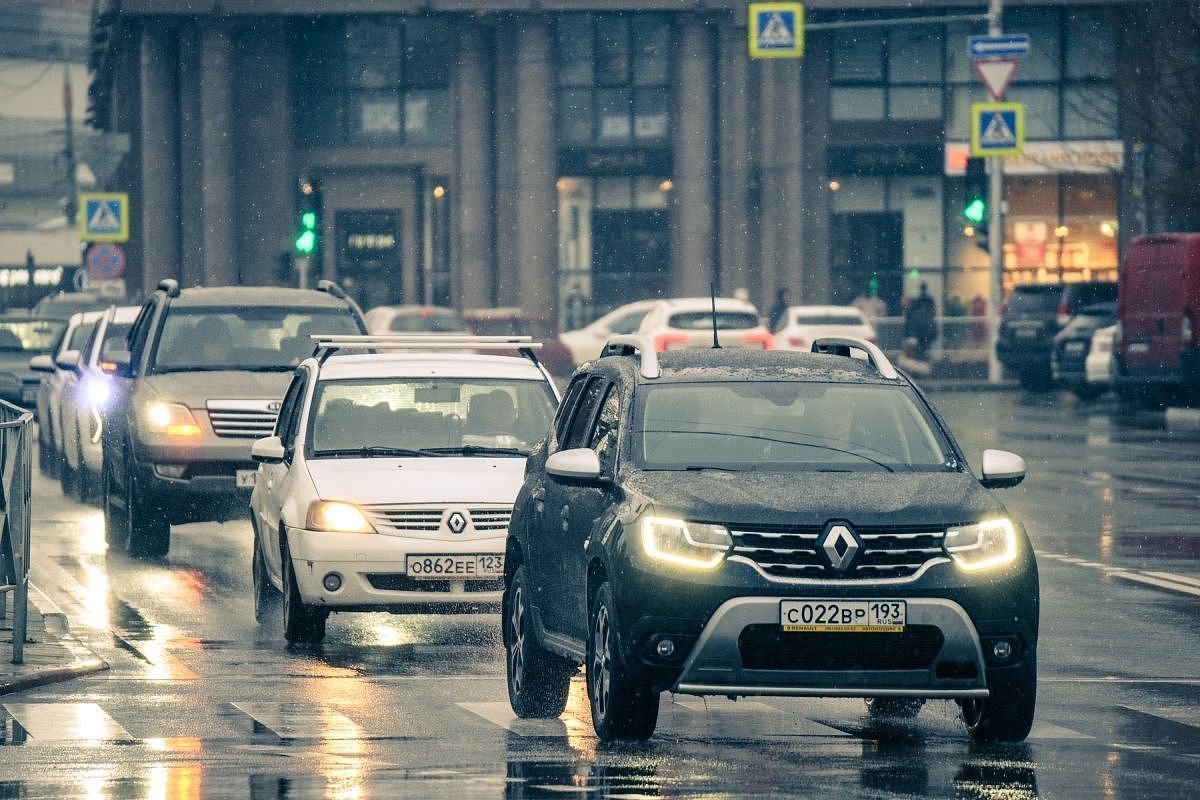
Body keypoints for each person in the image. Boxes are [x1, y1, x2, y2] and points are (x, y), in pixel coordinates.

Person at [903, 282, 937, 359]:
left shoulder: (918, 303)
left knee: (920, 350)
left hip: (920, 332)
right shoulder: (928, 300)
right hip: (926, 331)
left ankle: (920, 361)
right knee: (924, 349)